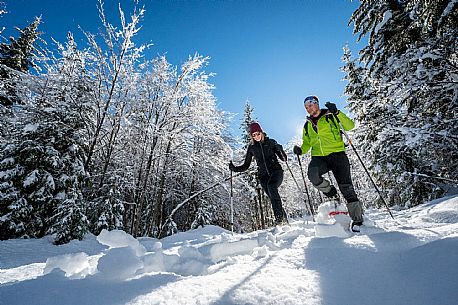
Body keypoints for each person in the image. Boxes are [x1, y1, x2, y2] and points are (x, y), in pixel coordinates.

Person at [293, 95, 364, 232]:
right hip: (319, 157)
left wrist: (337, 112)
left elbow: (350, 125)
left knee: (347, 187)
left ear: (317, 104)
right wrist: (301, 150)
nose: (309, 108)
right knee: (313, 175)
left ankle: (357, 219)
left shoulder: (331, 115)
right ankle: (332, 192)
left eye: (311, 104)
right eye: (306, 107)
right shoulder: (307, 125)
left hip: (337, 154)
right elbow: (307, 143)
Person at [229, 122, 288, 225]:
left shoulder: (271, 142)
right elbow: (246, 165)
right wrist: (235, 168)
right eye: (254, 135)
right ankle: (284, 220)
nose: (256, 136)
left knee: (272, 187)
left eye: (258, 133)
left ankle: (279, 219)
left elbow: (284, 158)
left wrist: (280, 149)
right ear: (251, 136)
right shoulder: (252, 148)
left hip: (276, 172)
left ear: (261, 132)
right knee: (272, 197)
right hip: (263, 176)